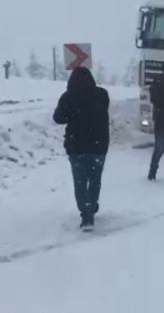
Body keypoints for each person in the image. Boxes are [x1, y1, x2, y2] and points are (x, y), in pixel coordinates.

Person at [53, 67, 110, 230]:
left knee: (79, 181)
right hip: (98, 145)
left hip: (76, 145)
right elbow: (103, 110)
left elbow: (58, 118)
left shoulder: (68, 97)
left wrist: (72, 112)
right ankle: (90, 206)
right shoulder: (102, 94)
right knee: (95, 179)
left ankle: (86, 213)